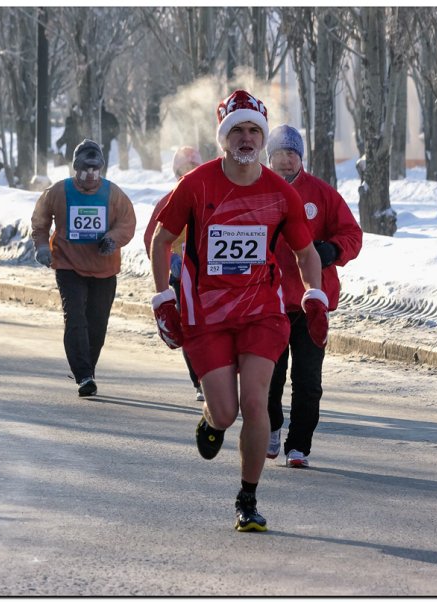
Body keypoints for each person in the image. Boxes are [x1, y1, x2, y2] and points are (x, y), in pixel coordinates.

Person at [150, 90, 328, 532]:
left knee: (255, 403)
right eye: (237, 131)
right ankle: (212, 421)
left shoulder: (279, 193)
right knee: (226, 412)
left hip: (261, 313)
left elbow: (306, 252)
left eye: (254, 131)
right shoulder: (196, 184)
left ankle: (247, 499)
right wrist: (163, 298)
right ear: (224, 138)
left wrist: (314, 295)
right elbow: (160, 239)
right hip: (206, 315)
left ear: (262, 138)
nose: (246, 138)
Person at [264, 125, 363, 468]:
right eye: (281, 152)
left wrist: (333, 250)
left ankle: (298, 445)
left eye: (294, 153)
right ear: (270, 156)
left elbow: (352, 233)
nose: (288, 159)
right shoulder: (258, 190)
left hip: (311, 304)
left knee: (308, 380)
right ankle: (272, 426)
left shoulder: (321, 194)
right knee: (268, 376)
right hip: (268, 303)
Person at [31, 139, 136, 397]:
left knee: (97, 323)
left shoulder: (114, 194)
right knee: (76, 317)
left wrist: (112, 239)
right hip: (68, 264)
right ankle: (83, 375)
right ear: (75, 168)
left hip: (104, 267)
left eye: (95, 170)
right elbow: (40, 220)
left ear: (101, 169)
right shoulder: (58, 192)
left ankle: (88, 367)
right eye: (84, 169)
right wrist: (42, 247)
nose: (90, 175)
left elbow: (127, 222)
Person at [143, 146, 205, 401]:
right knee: (190, 327)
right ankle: (200, 381)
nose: (188, 174)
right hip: (180, 277)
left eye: (193, 169)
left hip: (210, 276)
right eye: (184, 170)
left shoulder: (209, 197)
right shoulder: (168, 200)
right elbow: (152, 240)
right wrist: (168, 265)